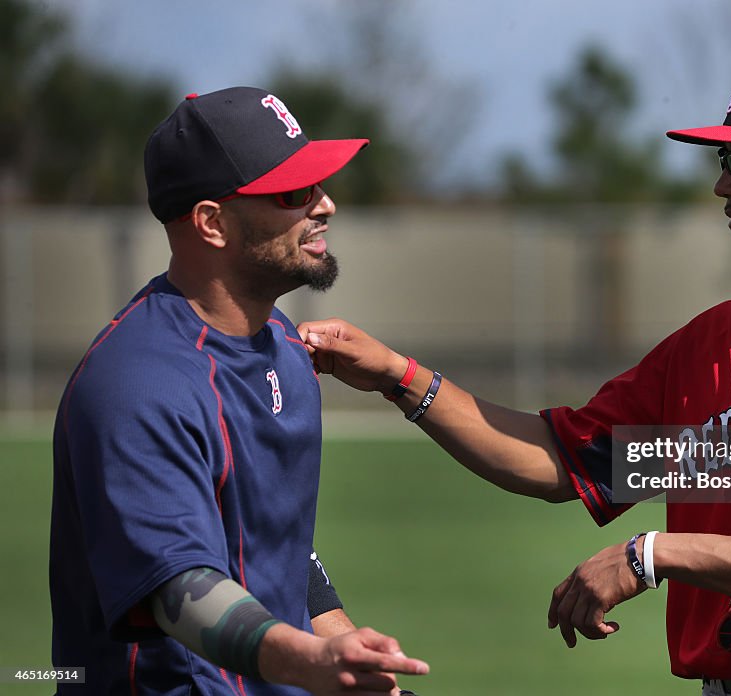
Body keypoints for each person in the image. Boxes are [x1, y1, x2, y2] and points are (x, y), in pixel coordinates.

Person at [298, 58, 731, 696]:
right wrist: (399, 376)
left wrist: (652, 556)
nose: (724, 181)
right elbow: (559, 461)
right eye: (723, 157)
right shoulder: (710, 344)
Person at [50, 87, 428, 695]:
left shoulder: (284, 344)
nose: (325, 205)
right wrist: (311, 662)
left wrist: (360, 674)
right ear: (211, 222)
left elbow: (283, 548)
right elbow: (181, 593)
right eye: (293, 192)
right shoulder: (137, 383)